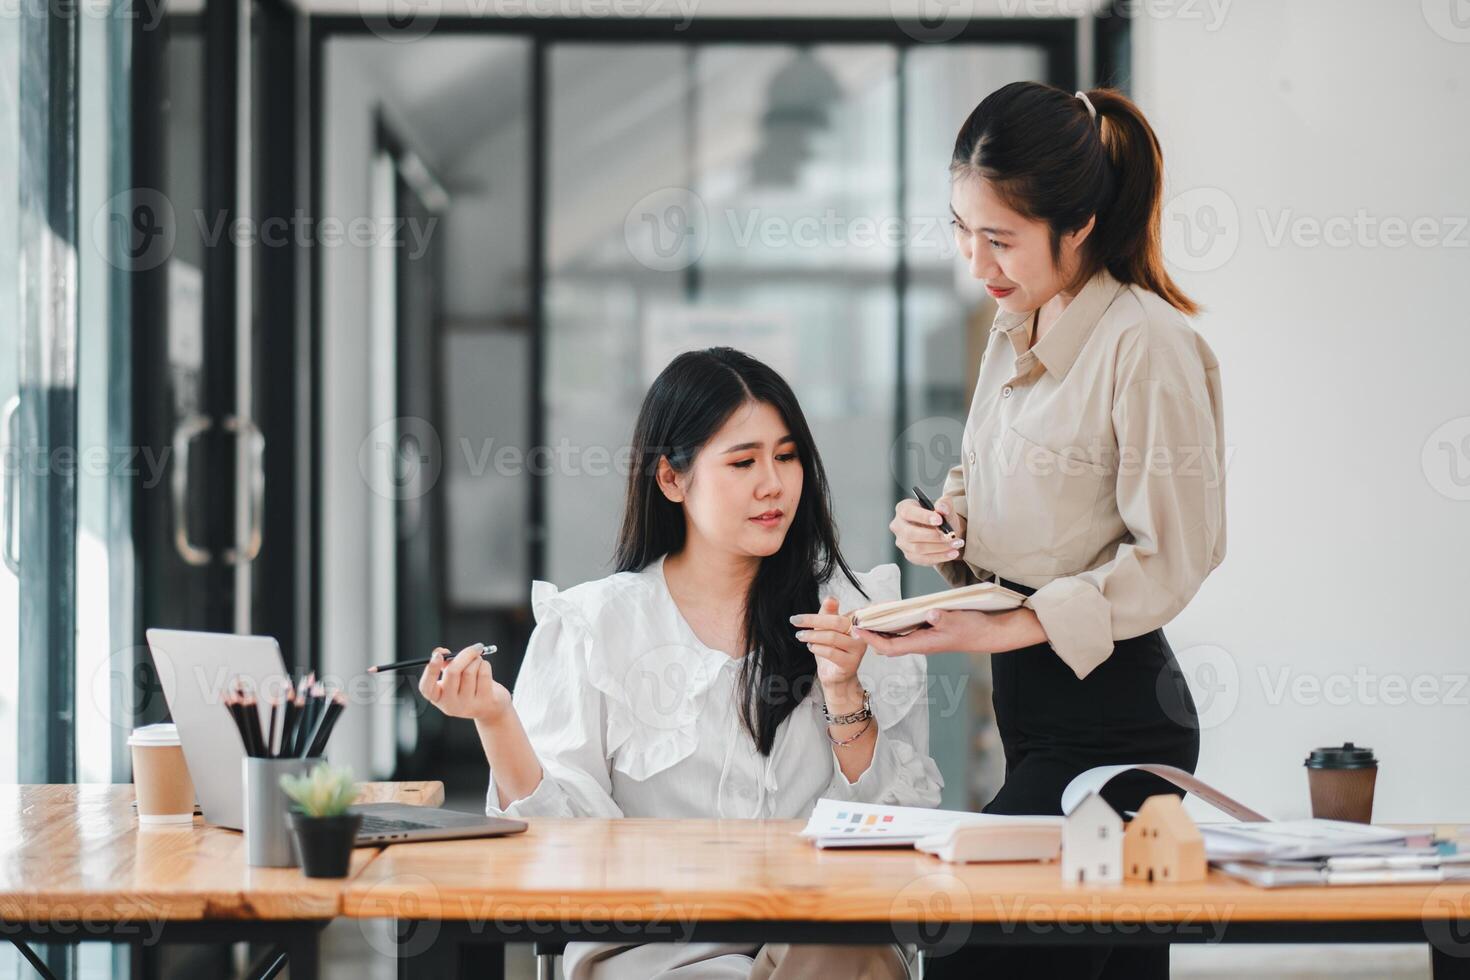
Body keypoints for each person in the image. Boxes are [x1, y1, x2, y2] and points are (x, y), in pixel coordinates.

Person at [862, 81, 1226, 980]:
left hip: (1118, 721)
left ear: (1079, 226)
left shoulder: (1147, 345)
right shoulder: (1016, 321)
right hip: (1033, 709)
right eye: (960, 228)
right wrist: (942, 527)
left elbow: (1177, 553)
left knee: (962, 940)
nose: (974, 259)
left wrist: (1007, 624)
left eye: (1000, 238)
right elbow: (1003, 488)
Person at [421, 347, 938, 980]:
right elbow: (556, 844)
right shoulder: (597, 624)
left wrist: (843, 689)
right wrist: (496, 719)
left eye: (787, 456)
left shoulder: (856, 612)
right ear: (671, 479)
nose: (773, 483)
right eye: (743, 461)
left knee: (842, 948)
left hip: (823, 934)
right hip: (655, 949)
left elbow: (901, 825)